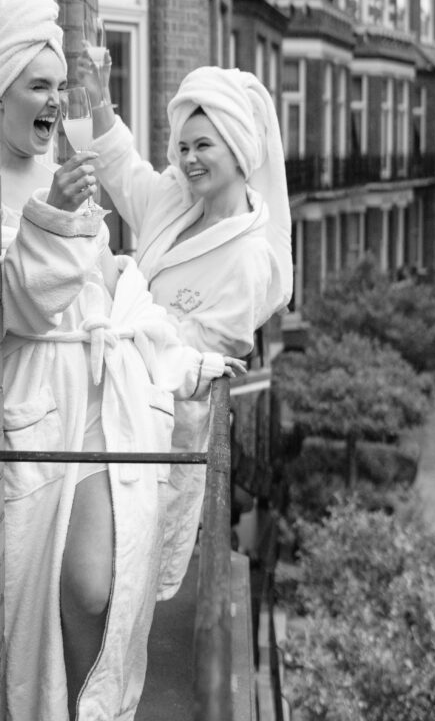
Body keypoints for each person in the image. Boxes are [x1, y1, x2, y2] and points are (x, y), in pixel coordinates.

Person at [0, 0, 244, 721]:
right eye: (38, 86)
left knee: (104, 586)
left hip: (105, 393)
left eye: (58, 87)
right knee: (65, 593)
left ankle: (88, 710)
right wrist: (59, 218)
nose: (53, 100)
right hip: (43, 401)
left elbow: (114, 286)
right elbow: (19, 302)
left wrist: (183, 363)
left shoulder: (58, 168)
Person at [86, 61, 293, 600]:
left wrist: (123, 289)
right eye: (182, 147)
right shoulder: (179, 200)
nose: (189, 159)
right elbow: (128, 177)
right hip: (112, 396)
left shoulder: (249, 258)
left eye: (203, 146)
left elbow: (201, 357)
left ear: (239, 148)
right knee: (92, 562)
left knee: (125, 574)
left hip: (167, 431)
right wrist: (102, 98)